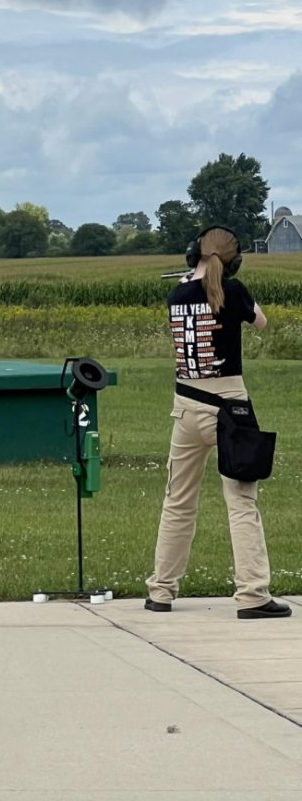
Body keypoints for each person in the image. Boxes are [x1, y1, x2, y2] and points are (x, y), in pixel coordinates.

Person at [145, 226, 291, 619]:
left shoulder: (176, 294)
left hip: (186, 406)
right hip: (230, 407)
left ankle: (161, 589)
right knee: (242, 503)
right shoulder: (235, 291)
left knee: (177, 501)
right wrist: (235, 288)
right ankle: (253, 594)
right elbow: (260, 322)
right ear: (231, 262)